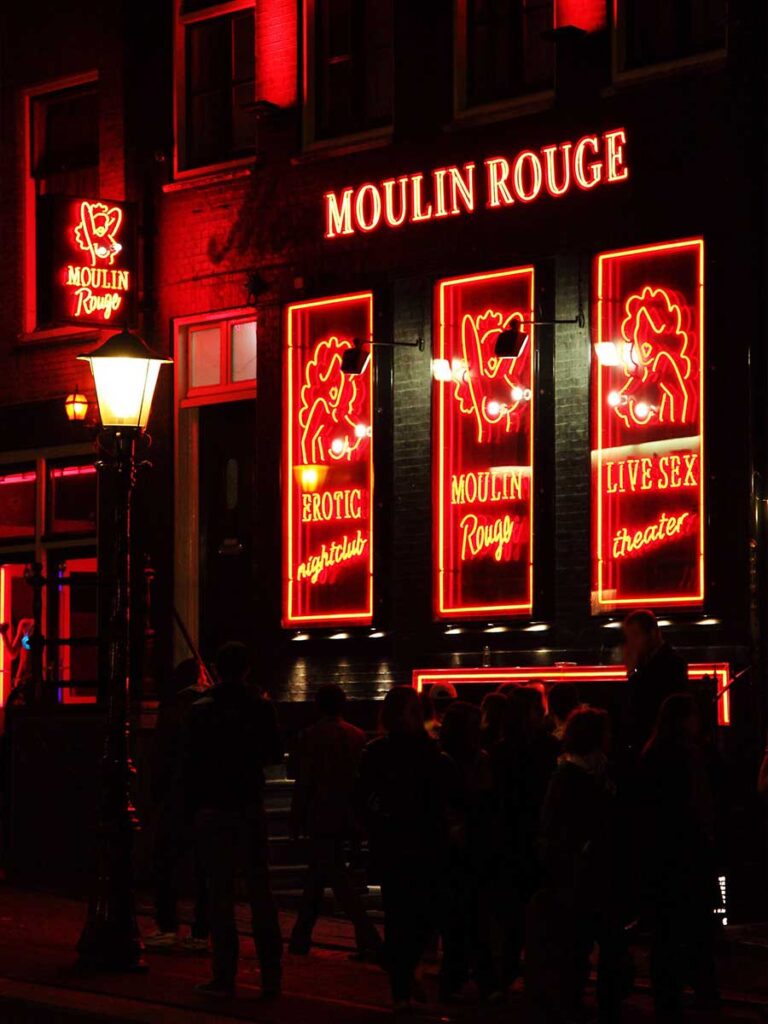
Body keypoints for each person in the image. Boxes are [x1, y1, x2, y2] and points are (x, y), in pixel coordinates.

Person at [178, 642, 283, 998]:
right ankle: (271, 977)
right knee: (260, 893)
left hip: (212, 807)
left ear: (218, 670)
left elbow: (188, 763)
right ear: (247, 669)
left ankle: (225, 975)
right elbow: (272, 753)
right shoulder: (261, 708)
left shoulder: (200, 710)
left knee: (219, 894)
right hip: (249, 805)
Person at [529, 707, 627, 1024]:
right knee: (597, 941)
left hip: (584, 874)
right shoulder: (591, 777)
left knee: (583, 944)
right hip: (585, 874)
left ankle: (577, 1001)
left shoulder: (571, 774)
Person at [358, 686, 450, 1014]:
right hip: (425, 843)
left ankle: (399, 982)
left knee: (398, 915)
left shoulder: (375, 752)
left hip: (391, 842)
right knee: (423, 914)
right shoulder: (431, 754)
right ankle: (403, 972)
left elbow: (364, 800)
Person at [637, 693, 719, 1019]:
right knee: (697, 931)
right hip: (688, 857)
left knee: (665, 936)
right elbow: (702, 809)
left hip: (660, 858)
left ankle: (667, 998)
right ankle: (703, 994)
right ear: (686, 719)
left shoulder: (651, 754)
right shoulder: (691, 755)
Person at [288, 683, 382, 960]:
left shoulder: (311, 736)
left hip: (321, 814)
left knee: (330, 877)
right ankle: (300, 938)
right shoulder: (357, 735)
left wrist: (297, 816)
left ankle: (369, 941)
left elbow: (304, 781)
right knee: (323, 874)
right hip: (348, 815)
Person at [488, 685, 559, 994]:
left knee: (510, 914)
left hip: (508, 839)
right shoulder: (549, 748)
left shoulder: (500, 750)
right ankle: (537, 979)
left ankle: (502, 977)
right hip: (539, 837)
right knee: (541, 915)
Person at [145, 658, 211, 950]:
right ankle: (201, 931)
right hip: (209, 797)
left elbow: (161, 755)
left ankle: (168, 926)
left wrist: (156, 793)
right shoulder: (215, 705)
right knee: (204, 867)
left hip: (178, 795)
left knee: (164, 861)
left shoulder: (173, 708)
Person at [439, 701, 496, 1001]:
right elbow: (482, 799)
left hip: (449, 845)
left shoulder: (440, 757)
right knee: (477, 915)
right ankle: (482, 979)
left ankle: (452, 977)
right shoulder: (479, 759)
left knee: (454, 917)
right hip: (474, 843)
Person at [623, 609, 689, 751]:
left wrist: (632, 672)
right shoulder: (651, 661)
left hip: (663, 746)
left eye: (635, 636)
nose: (631, 643)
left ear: (652, 633)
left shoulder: (671, 663)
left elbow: (643, 705)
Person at [0, 619, 36, 706]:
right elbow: (13, 654)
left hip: (30, 678)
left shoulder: (30, 625)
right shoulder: (25, 625)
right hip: (22, 678)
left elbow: (19, 653)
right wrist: (3, 633)